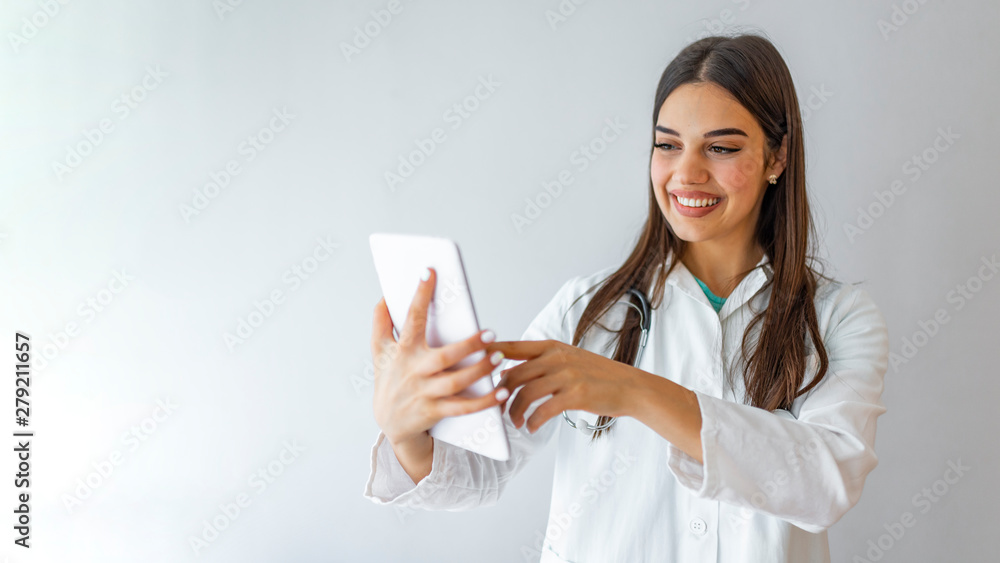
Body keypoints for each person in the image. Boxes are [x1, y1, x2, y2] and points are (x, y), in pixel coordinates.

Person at [364, 32, 889, 563]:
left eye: (721, 148)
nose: (686, 173)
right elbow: (476, 470)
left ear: (777, 157)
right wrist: (407, 433)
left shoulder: (839, 317)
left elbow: (829, 481)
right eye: (667, 144)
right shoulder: (584, 309)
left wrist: (635, 392)